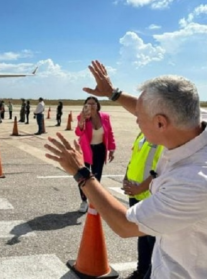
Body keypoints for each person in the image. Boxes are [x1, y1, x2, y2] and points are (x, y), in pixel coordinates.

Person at [44, 60, 207, 278]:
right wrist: (113, 94)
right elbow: (158, 113)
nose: (136, 120)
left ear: (160, 123)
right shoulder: (192, 122)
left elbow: (124, 225)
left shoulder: (192, 181)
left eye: (139, 117)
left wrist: (81, 172)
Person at [123, 132, 163, 279]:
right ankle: (141, 271)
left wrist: (140, 188)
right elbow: (134, 158)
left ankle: (151, 274)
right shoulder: (141, 133)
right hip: (134, 193)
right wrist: (125, 177)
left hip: (149, 196)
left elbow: (159, 171)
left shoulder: (162, 138)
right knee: (141, 235)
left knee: (152, 240)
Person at [74, 96, 116, 213]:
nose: (91, 106)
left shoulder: (105, 117)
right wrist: (82, 119)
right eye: (88, 104)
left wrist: (112, 149)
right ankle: (83, 201)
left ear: (98, 105)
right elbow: (78, 132)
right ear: (85, 106)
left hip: (99, 150)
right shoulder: (82, 117)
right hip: (85, 150)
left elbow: (110, 133)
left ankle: (94, 201)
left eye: (93, 103)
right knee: (83, 177)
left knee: (96, 178)